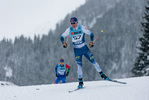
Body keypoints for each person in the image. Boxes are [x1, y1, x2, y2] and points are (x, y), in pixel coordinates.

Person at [60, 17, 109, 88]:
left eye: (74, 23)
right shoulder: (69, 30)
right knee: (79, 66)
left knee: (93, 62)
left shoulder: (81, 28)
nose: (73, 24)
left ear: (77, 22)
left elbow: (91, 34)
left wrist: (91, 41)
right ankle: (80, 82)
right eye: (71, 23)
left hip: (85, 48)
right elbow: (61, 37)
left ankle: (103, 75)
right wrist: (63, 43)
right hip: (77, 50)